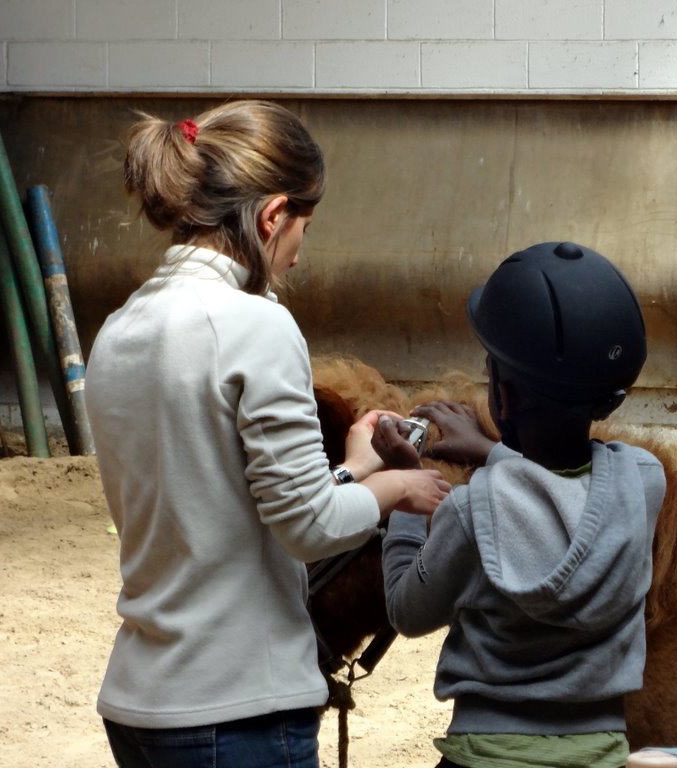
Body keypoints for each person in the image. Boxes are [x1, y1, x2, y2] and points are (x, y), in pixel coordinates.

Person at [84, 99, 450, 768]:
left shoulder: (120, 329)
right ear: (272, 215)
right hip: (236, 707)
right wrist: (398, 485)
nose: (299, 257)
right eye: (303, 229)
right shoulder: (257, 324)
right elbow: (308, 530)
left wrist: (354, 469)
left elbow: (229, 512)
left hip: (142, 702)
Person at [379, 241, 668, 768]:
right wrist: (497, 452)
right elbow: (569, 503)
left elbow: (406, 610)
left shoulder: (470, 514)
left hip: (484, 755)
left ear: (504, 398)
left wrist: (405, 485)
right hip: (600, 754)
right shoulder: (644, 482)